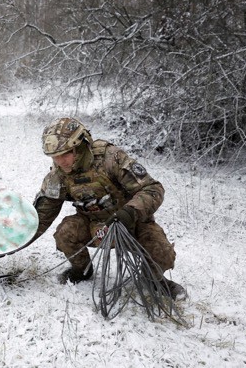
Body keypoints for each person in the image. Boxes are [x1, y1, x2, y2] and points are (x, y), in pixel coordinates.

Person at [31, 117, 187, 300]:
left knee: (162, 252)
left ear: (80, 146)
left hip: (131, 222)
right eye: (55, 157)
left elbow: (153, 189)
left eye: (65, 154)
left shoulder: (111, 159)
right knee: (66, 233)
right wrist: (11, 243)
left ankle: (154, 280)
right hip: (94, 226)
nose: (60, 161)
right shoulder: (57, 176)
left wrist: (130, 212)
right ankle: (82, 271)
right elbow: (42, 215)